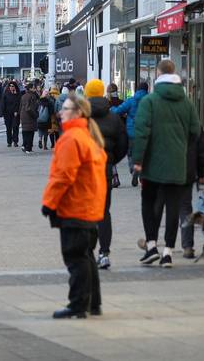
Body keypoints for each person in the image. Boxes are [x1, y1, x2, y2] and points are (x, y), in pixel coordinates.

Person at [41, 93, 107, 319]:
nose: (61, 112)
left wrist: (49, 203)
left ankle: (78, 304)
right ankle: (93, 303)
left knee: (76, 257)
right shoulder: (89, 137)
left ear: (78, 113)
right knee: (86, 255)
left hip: (75, 207)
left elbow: (63, 176)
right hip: (89, 207)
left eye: (66, 109)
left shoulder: (71, 139)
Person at [132, 59, 201, 267]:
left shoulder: (150, 101)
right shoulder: (187, 102)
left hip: (152, 164)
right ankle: (168, 252)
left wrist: (138, 160)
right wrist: (180, 147)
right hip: (177, 164)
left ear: (158, 75)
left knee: (149, 204)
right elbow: (195, 132)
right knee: (173, 207)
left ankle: (152, 245)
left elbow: (142, 132)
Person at [84, 79, 128, 270]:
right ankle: (104, 253)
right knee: (103, 213)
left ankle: (87, 252)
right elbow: (123, 145)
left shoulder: (80, 117)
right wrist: (110, 162)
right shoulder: (113, 118)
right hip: (104, 171)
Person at [112, 80, 149, 185]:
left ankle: (133, 170)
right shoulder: (151, 101)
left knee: (131, 153)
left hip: (132, 132)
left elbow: (118, 111)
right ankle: (142, 174)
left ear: (137, 89)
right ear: (147, 90)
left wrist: (111, 108)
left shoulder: (131, 101)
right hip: (146, 132)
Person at [180, 127, 204, 259]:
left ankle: (154, 245)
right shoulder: (194, 122)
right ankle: (187, 247)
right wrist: (201, 173)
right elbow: (203, 151)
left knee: (160, 206)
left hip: (163, 172)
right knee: (185, 207)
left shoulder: (161, 117)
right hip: (187, 171)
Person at [19, 83, 39, 153]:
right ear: (30, 88)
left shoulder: (24, 96)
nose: (35, 89)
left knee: (25, 131)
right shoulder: (32, 96)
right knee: (30, 132)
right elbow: (29, 108)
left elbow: (21, 106)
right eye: (33, 88)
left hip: (23, 116)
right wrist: (35, 115)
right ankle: (28, 148)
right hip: (29, 116)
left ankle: (25, 146)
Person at [2, 81, 21, 148]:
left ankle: (15, 141)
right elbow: (3, 103)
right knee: (8, 128)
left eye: (13, 86)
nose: (11, 87)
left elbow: (19, 104)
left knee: (15, 127)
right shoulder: (6, 94)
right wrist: (2, 113)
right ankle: (9, 142)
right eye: (10, 86)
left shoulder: (18, 94)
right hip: (7, 114)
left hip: (16, 114)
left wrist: (17, 111)